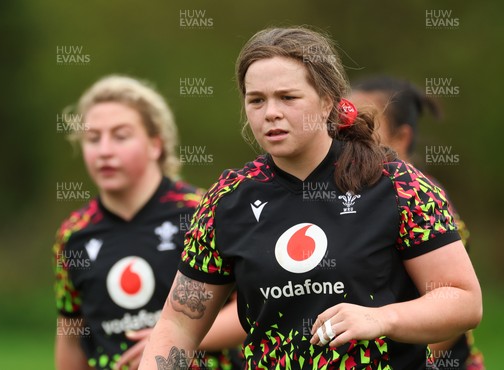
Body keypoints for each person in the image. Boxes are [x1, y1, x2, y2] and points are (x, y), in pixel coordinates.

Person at [138, 27, 482, 370]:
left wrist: (382, 318)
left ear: (327, 101)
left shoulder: (397, 185)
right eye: (256, 100)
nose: (270, 112)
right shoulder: (227, 200)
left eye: (288, 97)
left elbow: (463, 301)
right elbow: (178, 325)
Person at [53, 75, 242, 370]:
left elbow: (251, 309)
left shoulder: (202, 212)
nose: (104, 150)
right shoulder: (73, 234)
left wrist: (169, 339)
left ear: (156, 145)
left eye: (121, 136)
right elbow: (71, 336)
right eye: (93, 138)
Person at [350, 76, 484, 369]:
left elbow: (453, 310)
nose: (350, 135)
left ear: (402, 137)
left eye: (366, 125)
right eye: (345, 124)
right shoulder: (354, 196)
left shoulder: (423, 199)